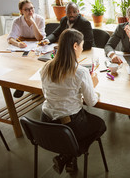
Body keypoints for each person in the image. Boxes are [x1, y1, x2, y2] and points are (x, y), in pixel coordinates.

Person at [40, 28, 106, 174]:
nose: (82, 49)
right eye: (81, 46)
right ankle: (70, 154)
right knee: (100, 126)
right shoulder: (80, 72)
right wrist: (93, 85)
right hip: (69, 124)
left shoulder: (46, 67)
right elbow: (91, 102)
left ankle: (66, 156)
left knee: (79, 125)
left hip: (45, 122)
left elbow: (46, 93)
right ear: (75, 46)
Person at [8, 0, 46, 98]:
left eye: (32, 8)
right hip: (24, 47)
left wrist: (32, 21)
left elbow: (39, 38)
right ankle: (21, 86)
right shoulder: (17, 21)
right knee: (21, 64)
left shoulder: (39, 19)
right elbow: (11, 38)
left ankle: (37, 88)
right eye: (27, 9)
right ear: (21, 11)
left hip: (38, 47)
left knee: (37, 64)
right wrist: (17, 44)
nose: (30, 11)